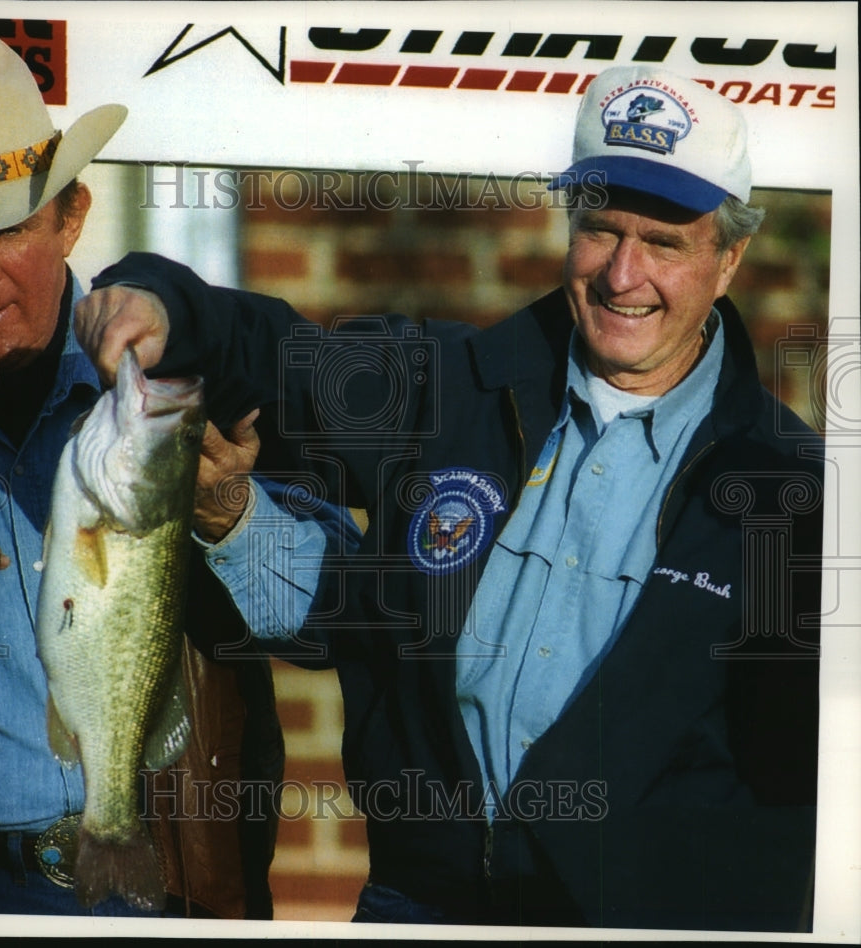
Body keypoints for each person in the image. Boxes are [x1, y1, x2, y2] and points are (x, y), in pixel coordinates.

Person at [77, 65, 825, 932]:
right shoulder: (449, 386)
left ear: (728, 258)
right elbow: (280, 357)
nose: (623, 274)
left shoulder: (789, 491)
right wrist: (166, 306)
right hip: (416, 905)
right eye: (600, 231)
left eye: (664, 241)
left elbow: (800, 800)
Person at [0, 33, 284, 917]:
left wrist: (229, 513)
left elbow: (318, 622)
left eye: (11, 227)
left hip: (167, 878)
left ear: (71, 218)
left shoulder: (169, 383)